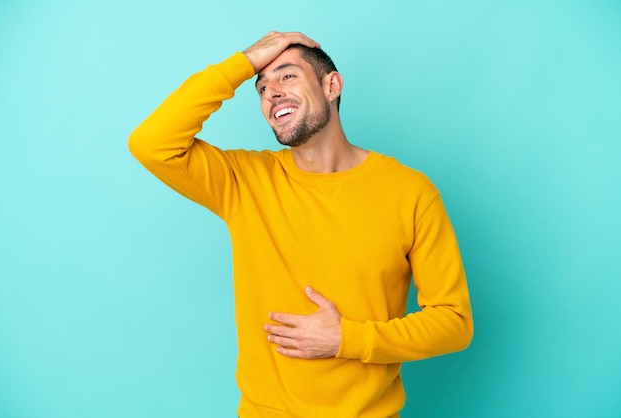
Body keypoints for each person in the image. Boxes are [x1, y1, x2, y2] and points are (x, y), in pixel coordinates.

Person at [129, 31, 473, 418]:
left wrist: (347, 338)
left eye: (287, 76)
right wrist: (243, 62)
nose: (271, 92)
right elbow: (151, 142)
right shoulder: (244, 182)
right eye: (261, 87)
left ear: (332, 85)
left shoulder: (410, 192)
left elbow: (453, 322)